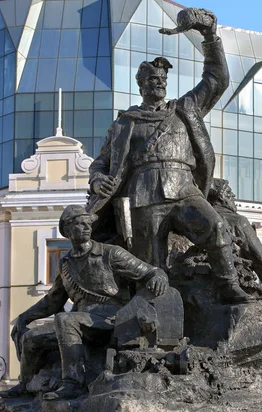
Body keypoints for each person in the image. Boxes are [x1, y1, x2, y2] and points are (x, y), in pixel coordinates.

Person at [87, 8, 251, 304]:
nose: (159, 83)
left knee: (214, 226)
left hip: (185, 190)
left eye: (162, 79)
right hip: (144, 197)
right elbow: (101, 164)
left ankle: (229, 286)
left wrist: (210, 35)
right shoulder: (125, 123)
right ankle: (152, 329)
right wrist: (98, 180)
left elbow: (218, 79)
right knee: (152, 269)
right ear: (141, 84)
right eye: (152, 79)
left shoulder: (185, 108)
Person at [0, 205, 168, 400]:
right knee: (31, 338)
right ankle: (24, 385)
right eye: (80, 224)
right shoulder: (65, 263)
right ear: (68, 230)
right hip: (80, 322)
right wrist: (23, 317)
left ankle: (73, 383)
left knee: (65, 319)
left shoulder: (110, 254)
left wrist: (158, 276)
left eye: (88, 223)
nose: (86, 227)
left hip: (111, 320)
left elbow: (149, 271)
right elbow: (52, 301)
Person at [208, 179, 262, 303]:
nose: (233, 196)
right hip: (236, 286)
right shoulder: (238, 221)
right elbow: (261, 257)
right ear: (222, 197)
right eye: (230, 193)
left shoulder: (199, 218)